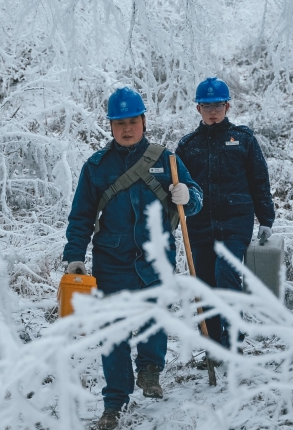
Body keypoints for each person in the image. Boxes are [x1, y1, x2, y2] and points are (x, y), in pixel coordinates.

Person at [62, 87, 202, 430]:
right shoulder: (95, 167)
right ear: (110, 126)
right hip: (112, 260)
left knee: (155, 316)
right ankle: (114, 400)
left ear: (144, 121)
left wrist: (188, 195)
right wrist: (74, 257)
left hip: (157, 257)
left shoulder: (166, 160)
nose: (127, 129)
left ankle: (151, 369)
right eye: (119, 123)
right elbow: (80, 217)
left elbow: (194, 198)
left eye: (133, 121)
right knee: (114, 331)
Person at [175, 76, 274, 349]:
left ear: (228, 106)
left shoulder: (243, 139)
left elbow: (259, 180)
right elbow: (177, 187)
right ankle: (213, 341)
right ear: (198, 109)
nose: (213, 111)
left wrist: (266, 219)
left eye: (218, 105)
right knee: (205, 281)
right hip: (199, 224)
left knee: (226, 274)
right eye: (207, 106)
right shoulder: (187, 145)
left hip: (235, 221)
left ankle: (232, 339)